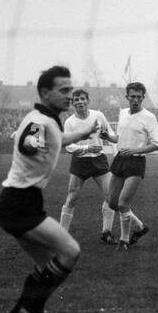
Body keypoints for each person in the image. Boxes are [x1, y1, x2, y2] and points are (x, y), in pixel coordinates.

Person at [0, 65, 105, 313]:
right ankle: (30, 312)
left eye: (71, 89)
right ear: (45, 92)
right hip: (19, 205)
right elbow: (31, 140)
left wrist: (85, 131)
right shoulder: (40, 122)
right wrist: (32, 143)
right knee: (70, 251)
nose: (70, 95)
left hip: (19, 203)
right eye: (64, 90)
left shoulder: (48, 118)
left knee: (46, 264)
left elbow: (60, 137)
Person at [57, 88, 119, 243]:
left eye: (82, 99)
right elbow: (69, 147)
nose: (80, 102)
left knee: (111, 197)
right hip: (80, 162)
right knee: (72, 198)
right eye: (76, 99)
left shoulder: (98, 116)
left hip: (98, 160)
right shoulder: (70, 122)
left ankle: (107, 232)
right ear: (73, 103)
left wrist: (115, 153)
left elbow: (109, 134)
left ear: (88, 100)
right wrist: (85, 148)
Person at [107, 81, 158, 248]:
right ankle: (140, 227)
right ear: (127, 97)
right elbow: (119, 138)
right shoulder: (122, 113)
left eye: (139, 97)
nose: (135, 100)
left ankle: (124, 241)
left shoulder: (149, 117)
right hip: (119, 159)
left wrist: (136, 150)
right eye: (132, 97)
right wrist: (105, 136)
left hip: (136, 161)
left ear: (143, 97)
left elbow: (157, 143)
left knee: (123, 203)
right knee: (112, 203)